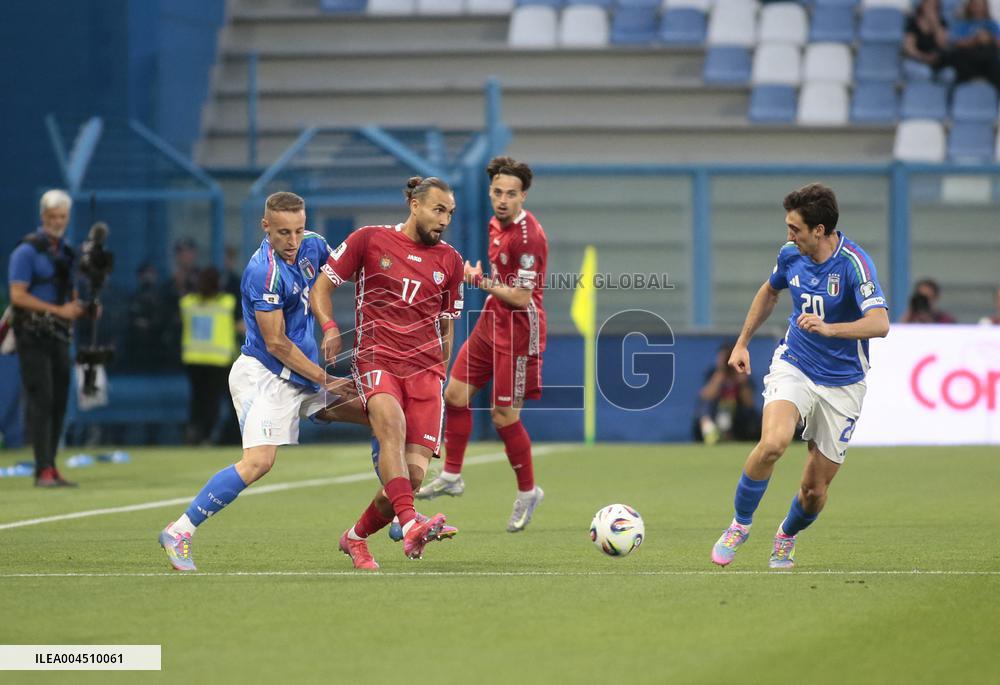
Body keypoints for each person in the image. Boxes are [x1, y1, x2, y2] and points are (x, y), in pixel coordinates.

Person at [158, 191, 354, 572]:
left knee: (377, 412)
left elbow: (347, 271)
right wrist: (326, 380)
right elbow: (277, 343)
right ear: (266, 227)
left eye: (298, 230)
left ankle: (402, 516)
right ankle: (180, 530)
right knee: (258, 463)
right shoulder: (262, 272)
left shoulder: (313, 246)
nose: (293, 241)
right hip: (267, 376)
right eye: (283, 233)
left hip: (305, 373)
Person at [710, 183, 890, 570]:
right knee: (773, 443)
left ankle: (786, 536)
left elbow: (880, 323)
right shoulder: (790, 255)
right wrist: (742, 343)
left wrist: (830, 329)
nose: (788, 235)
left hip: (843, 383)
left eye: (795, 228)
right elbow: (770, 292)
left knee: (813, 491)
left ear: (820, 230)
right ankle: (739, 525)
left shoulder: (855, 264)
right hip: (796, 364)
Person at [310, 176, 465, 570]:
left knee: (411, 479)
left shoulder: (451, 261)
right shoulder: (369, 239)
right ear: (414, 205)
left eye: (449, 213)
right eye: (437, 209)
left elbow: (447, 324)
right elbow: (320, 288)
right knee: (391, 430)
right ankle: (411, 522)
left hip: (426, 373)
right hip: (378, 360)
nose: (444, 219)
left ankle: (356, 538)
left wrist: (440, 371)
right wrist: (329, 327)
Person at [416, 156, 548, 534]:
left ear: (523, 197)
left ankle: (527, 492)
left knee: (504, 417)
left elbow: (523, 298)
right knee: (454, 394)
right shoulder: (495, 225)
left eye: (511, 194)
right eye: (497, 192)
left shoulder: (529, 238)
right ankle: (453, 475)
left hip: (521, 330)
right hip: (492, 320)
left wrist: (478, 281)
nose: (502, 200)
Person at [7, 189, 85, 487]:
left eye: (62, 217)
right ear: (43, 217)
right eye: (52, 217)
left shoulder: (65, 252)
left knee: (60, 400)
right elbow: (17, 296)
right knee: (42, 398)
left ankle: (51, 465)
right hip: (32, 334)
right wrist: (59, 310)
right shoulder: (25, 252)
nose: (57, 222)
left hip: (59, 335)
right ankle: (42, 469)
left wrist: (81, 308)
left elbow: (71, 292)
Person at [179, 266, 238, 445]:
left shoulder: (187, 303)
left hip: (193, 360)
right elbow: (240, 325)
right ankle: (210, 436)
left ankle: (195, 433)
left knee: (198, 401)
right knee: (215, 402)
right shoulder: (227, 303)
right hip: (219, 361)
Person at [694, 342, 761, 444]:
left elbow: (749, 403)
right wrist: (720, 374)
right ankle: (710, 432)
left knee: (753, 415)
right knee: (704, 407)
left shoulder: (743, 374)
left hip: (738, 413)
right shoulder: (713, 373)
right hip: (716, 411)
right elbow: (706, 396)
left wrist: (742, 381)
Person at [948, 0, 1000, 91]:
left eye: (980, 5)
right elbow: (955, 43)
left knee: (993, 55)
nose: (977, 8)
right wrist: (975, 40)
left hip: (987, 60)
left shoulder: (992, 24)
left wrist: (989, 38)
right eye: (975, 5)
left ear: (985, 7)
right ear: (969, 7)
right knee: (956, 56)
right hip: (968, 59)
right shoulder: (962, 24)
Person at [904, 0, 951, 73]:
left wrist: (936, 24)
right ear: (923, 5)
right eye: (929, 4)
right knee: (924, 72)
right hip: (917, 59)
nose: (931, 8)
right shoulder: (913, 22)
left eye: (934, 5)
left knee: (949, 74)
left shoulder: (941, 22)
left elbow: (943, 44)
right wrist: (923, 57)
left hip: (936, 59)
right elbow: (909, 47)